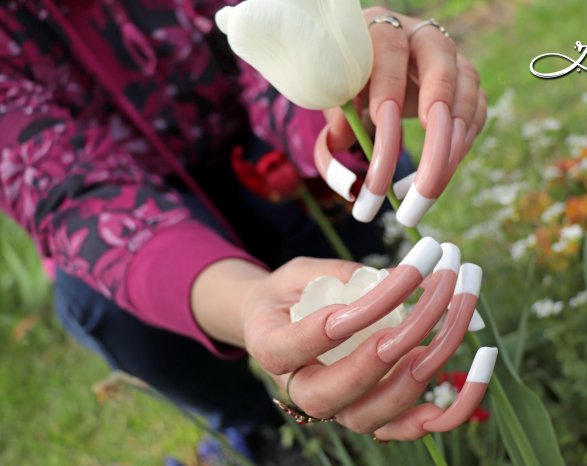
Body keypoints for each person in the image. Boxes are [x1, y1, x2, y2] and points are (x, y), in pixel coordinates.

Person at [0, 0, 487, 457]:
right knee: (92, 295)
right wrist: (251, 303)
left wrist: (341, 94)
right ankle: (258, 427)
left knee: (359, 160)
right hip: (148, 250)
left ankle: (412, 347)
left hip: (270, 169)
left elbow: (268, 21)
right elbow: (71, 195)